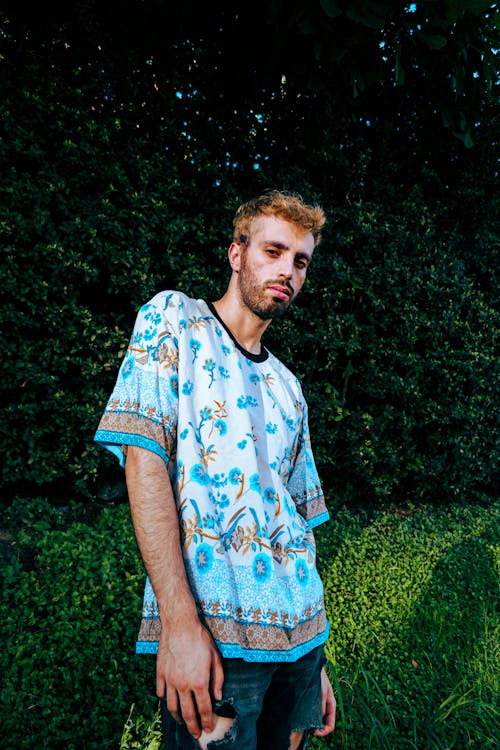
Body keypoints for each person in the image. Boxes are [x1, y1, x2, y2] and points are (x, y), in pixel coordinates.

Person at [94, 189, 336, 749]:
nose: (287, 271)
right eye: (273, 251)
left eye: (300, 261)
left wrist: (317, 654)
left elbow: (296, 520)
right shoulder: (174, 320)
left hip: (301, 641)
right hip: (218, 643)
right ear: (236, 252)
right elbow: (143, 458)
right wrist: (178, 625)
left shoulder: (290, 388)